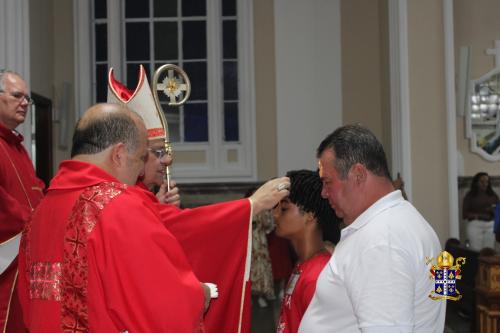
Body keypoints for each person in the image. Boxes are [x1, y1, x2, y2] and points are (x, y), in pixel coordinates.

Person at [107, 64, 291, 333]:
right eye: (156, 152)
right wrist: (253, 205)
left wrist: (160, 209)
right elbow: (186, 227)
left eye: (165, 151)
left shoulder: (141, 195)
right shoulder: (124, 197)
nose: (167, 160)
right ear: (125, 154)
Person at [18, 104, 209, 331]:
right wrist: (200, 294)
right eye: (140, 159)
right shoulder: (119, 206)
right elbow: (162, 306)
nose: (140, 173)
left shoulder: (39, 213)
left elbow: (28, 302)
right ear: (118, 154)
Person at [299, 124, 445, 333]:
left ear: (358, 174)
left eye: (327, 182)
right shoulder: (393, 222)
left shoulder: (381, 240)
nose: (323, 192)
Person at [0, 69, 45, 331]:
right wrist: (34, 223)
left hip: (27, 259)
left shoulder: (17, 146)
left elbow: (37, 191)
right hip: (6, 263)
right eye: (17, 96)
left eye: (27, 98)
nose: (25, 103)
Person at [273, 169, 340, 333]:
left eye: (284, 209)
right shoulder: (302, 265)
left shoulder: (317, 276)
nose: (275, 215)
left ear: (310, 215)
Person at [462, 172, 499, 250]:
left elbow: (498, 210)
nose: (485, 184)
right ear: (476, 183)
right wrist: (479, 215)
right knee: (475, 250)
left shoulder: (492, 195)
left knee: (488, 250)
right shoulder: (470, 196)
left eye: (487, 182)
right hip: (475, 225)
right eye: (482, 182)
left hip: (490, 226)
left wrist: (493, 210)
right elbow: (464, 214)